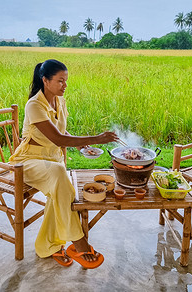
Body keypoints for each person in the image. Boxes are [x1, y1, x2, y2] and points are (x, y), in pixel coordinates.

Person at [9, 59, 118, 269]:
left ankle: (48, 246)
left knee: (63, 190)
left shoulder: (60, 101)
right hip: (28, 162)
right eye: (60, 81)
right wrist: (96, 138)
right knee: (61, 177)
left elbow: (61, 131)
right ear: (45, 81)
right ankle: (78, 242)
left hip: (52, 161)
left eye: (66, 81)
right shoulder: (34, 105)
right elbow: (58, 139)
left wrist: (80, 147)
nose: (65, 85)